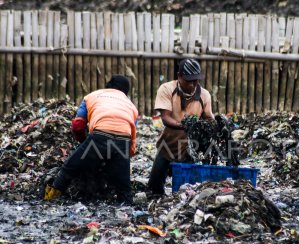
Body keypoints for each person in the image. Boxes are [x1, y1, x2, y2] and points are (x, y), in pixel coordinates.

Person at [44, 75, 139, 203]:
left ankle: (49, 199)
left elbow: (78, 125)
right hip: (123, 142)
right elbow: (132, 140)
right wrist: (123, 157)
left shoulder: (91, 96)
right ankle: (127, 213)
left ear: (108, 86)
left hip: (99, 137)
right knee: (124, 186)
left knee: (69, 168)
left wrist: (84, 144)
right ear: (125, 92)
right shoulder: (131, 106)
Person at [147, 58, 214, 195]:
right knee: (154, 187)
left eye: (196, 80)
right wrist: (187, 126)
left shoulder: (204, 95)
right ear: (179, 76)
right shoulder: (166, 89)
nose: (193, 84)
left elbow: (209, 119)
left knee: (186, 190)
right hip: (167, 146)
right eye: (189, 80)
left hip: (189, 149)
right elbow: (165, 118)